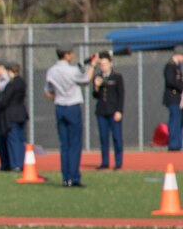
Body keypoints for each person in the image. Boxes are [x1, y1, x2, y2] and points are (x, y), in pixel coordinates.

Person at [44, 46, 95, 187]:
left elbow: (47, 92)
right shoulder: (71, 70)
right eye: (71, 53)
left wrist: (60, 96)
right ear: (66, 55)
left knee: (64, 145)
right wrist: (92, 66)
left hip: (59, 107)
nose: (72, 56)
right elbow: (86, 79)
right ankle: (74, 177)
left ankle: (66, 178)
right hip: (72, 107)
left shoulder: (51, 71)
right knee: (74, 144)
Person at [93, 51, 124, 170]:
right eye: (101, 64)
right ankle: (104, 161)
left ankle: (118, 162)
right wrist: (96, 87)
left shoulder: (117, 77)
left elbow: (121, 95)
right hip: (101, 111)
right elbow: (95, 96)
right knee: (103, 137)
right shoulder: (98, 77)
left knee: (117, 137)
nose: (103, 66)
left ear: (111, 63)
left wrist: (119, 111)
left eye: (105, 64)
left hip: (114, 111)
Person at [0, 61, 28, 171]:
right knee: (20, 139)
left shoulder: (11, 84)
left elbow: (5, 100)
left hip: (11, 114)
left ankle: (15, 164)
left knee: (13, 139)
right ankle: (21, 162)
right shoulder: (22, 82)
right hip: (21, 113)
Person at [163, 45, 183, 151]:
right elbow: (171, 81)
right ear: (178, 55)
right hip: (172, 97)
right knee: (174, 121)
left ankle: (178, 144)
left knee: (178, 121)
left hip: (178, 97)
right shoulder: (170, 66)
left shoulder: (177, 66)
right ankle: (173, 145)